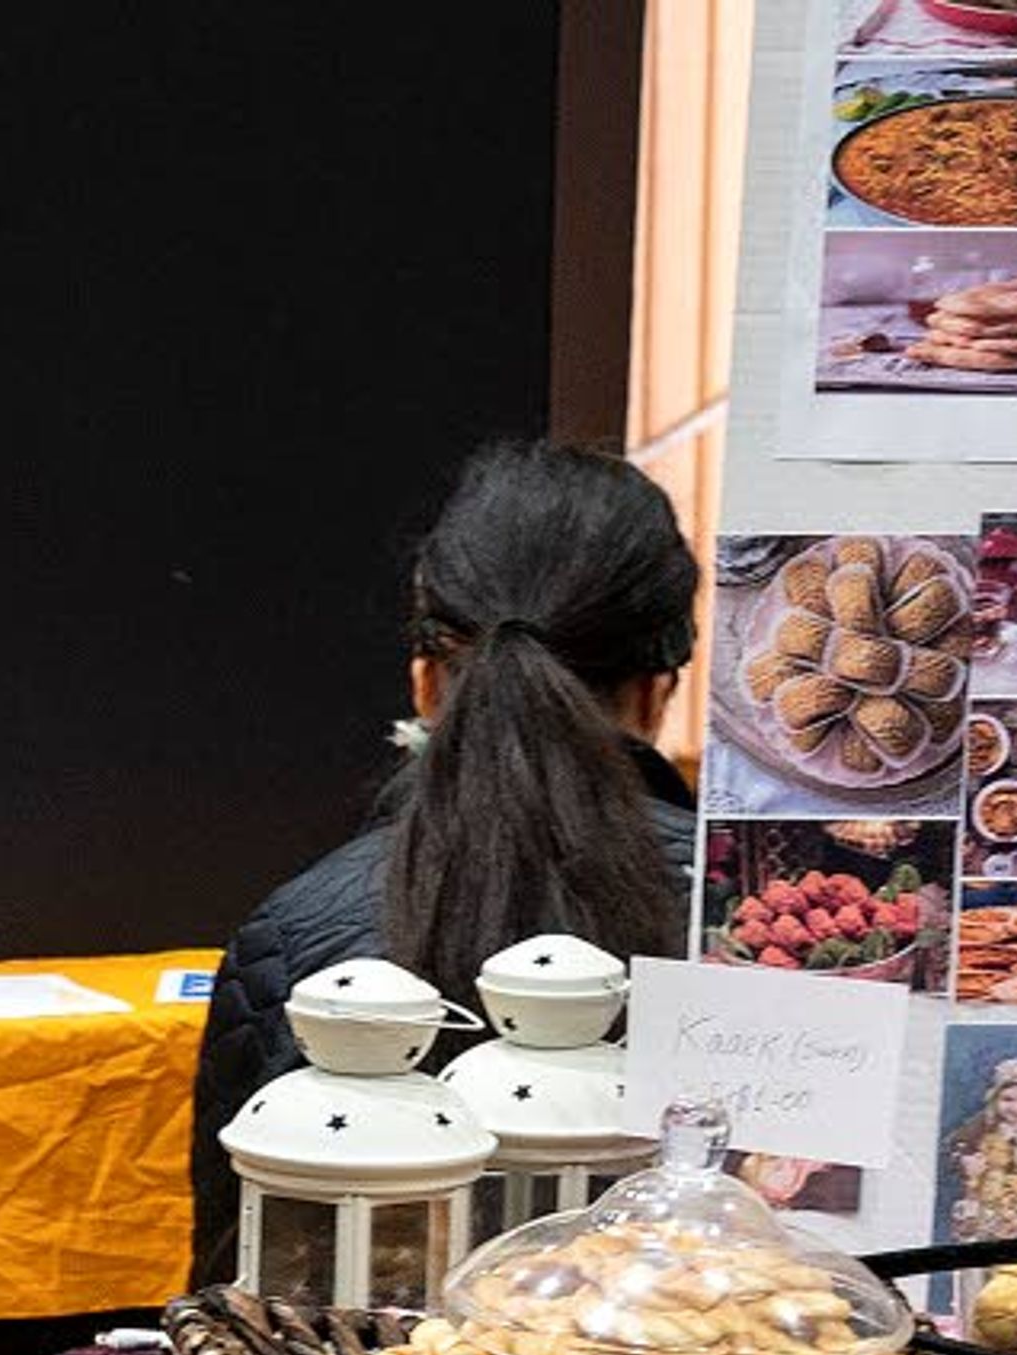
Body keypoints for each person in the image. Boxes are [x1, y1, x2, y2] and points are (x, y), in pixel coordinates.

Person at [188, 442, 695, 1283]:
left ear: (426, 678)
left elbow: (230, 1292)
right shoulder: (758, 927)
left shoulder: (294, 931)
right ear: (660, 687)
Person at [946, 1054, 1017, 1242]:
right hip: (985, 1205)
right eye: (1007, 1099)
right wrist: (965, 1161)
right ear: (995, 1100)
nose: (1016, 1108)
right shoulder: (983, 1127)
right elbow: (956, 1147)